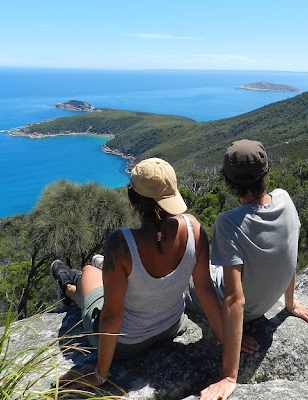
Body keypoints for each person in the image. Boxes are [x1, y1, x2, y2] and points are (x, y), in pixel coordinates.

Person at [50, 157, 224, 389]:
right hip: (172, 326)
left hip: (125, 345)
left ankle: (69, 286)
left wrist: (100, 375)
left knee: (89, 271)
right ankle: (73, 286)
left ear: (132, 198)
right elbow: (205, 290)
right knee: (99, 278)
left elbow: (112, 317)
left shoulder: (122, 243)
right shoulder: (194, 229)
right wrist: (227, 338)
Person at [194, 139, 308, 400]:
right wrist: (290, 304)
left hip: (240, 307)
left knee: (187, 272)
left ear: (229, 182)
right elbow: (288, 251)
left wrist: (230, 376)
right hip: (266, 304)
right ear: (266, 173)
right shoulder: (285, 199)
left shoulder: (228, 223)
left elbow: (233, 299)